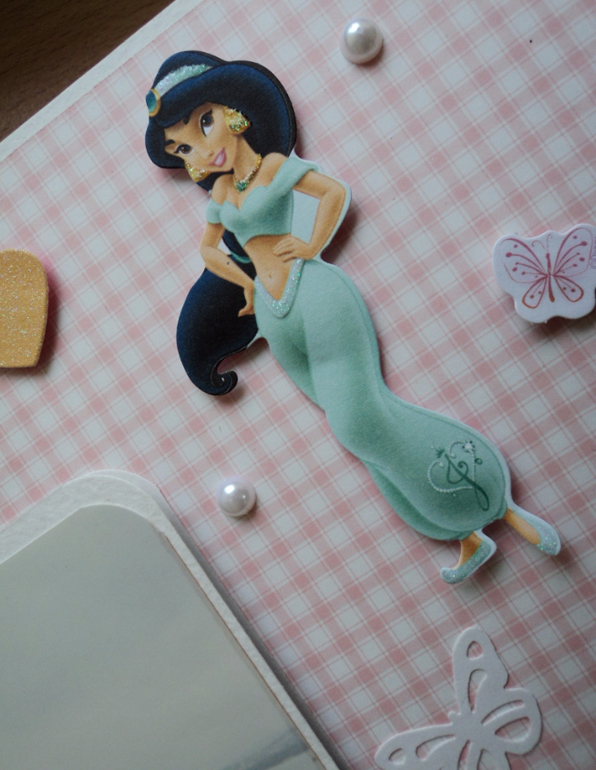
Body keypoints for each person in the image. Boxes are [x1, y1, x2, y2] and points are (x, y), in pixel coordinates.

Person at [145, 51, 561, 583]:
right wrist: (244, 283)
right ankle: (465, 536)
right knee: (355, 435)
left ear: (232, 111)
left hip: (316, 294)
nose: (200, 151)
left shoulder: (274, 168)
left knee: (359, 420)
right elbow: (208, 250)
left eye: (203, 124)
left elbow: (332, 192)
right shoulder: (223, 193)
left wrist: (308, 243)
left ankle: (495, 503)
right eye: (183, 147)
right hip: (273, 315)